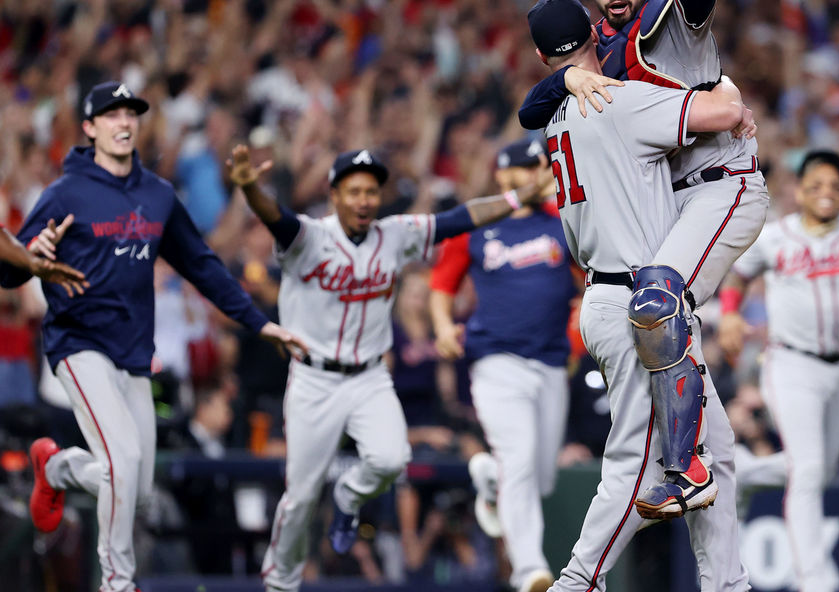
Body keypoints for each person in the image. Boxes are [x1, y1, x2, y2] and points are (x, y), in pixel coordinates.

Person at [516, 0, 772, 513]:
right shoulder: (601, 53)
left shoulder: (662, 15)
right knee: (666, 321)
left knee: (657, 296)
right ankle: (720, 545)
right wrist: (563, 76)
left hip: (722, 184)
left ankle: (683, 469)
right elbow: (529, 112)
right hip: (684, 201)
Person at [10, 81, 307, 592]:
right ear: (89, 128)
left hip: (133, 355)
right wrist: (34, 256)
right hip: (79, 347)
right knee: (121, 464)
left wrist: (259, 321)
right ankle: (117, 583)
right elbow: (11, 271)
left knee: (137, 492)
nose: (123, 123)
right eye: (110, 115)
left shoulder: (157, 195)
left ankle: (57, 468)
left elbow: (203, 266)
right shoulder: (64, 194)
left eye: (131, 114)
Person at [226, 143, 550, 592]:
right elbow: (274, 216)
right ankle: (279, 582)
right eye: (354, 191)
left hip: (370, 376)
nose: (364, 200)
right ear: (334, 194)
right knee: (299, 498)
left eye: (372, 192)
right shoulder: (309, 237)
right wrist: (248, 188)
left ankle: (348, 496)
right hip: (314, 378)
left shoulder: (394, 233)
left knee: (391, 460)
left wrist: (520, 198)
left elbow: (461, 218)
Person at [527, 0, 750, 591]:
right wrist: (724, 86)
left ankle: (729, 587)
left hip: (607, 290)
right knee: (637, 462)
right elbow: (724, 114)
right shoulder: (618, 100)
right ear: (594, 37)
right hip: (640, 306)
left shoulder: (553, 114)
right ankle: (578, 583)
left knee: (716, 451)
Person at [718, 149, 839, 592]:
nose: (826, 193)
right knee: (808, 471)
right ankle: (814, 581)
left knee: (818, 470)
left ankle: (746, 472)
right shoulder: (775, 236)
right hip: (789, 361)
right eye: (816, 185)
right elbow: (737, 276)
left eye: (835, 186)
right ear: (800, 190)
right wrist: (729, 315)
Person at [427, 139, 578, 592]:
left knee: (540, 477)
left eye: (539, 168)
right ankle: (529, 568)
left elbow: (591, 285)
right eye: (526, 168)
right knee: (521, 460)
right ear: (502, 176)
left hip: (550, 362)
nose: (535, 175)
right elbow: (442, 284)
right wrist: (441, 326)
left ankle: (490, 482)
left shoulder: (562, 224)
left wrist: (576, 345)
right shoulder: (477, 224)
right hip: (495, 359)